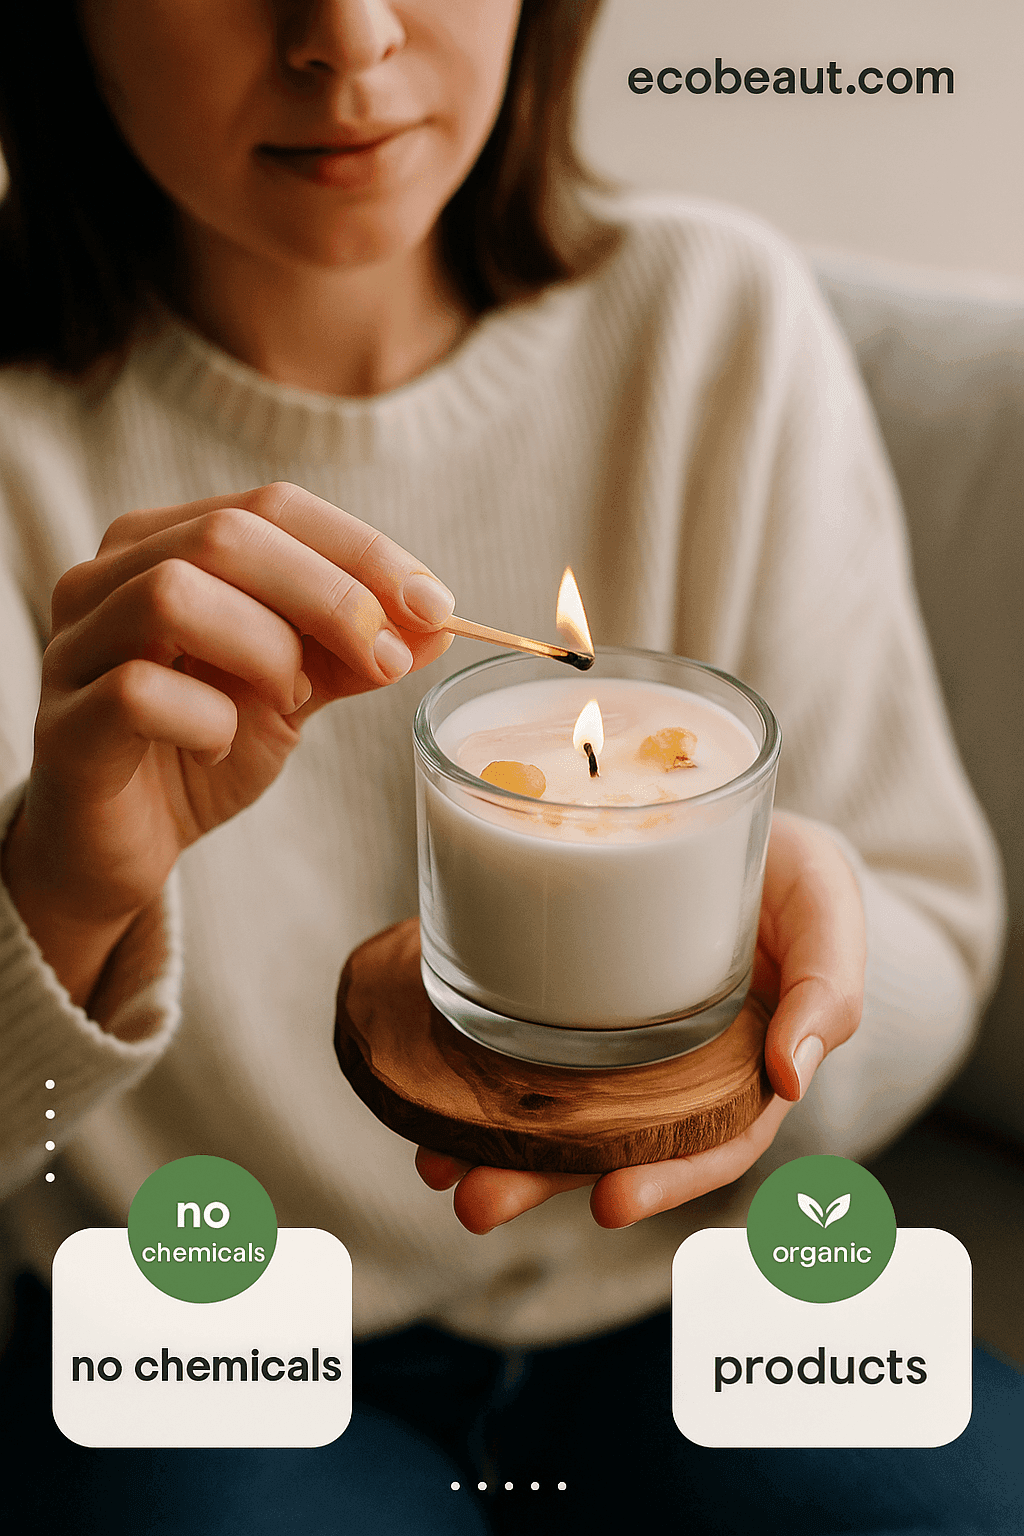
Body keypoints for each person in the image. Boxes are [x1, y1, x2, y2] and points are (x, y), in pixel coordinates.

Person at [0, 2, 1018, 1533]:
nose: (345, 36)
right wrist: (68, 886)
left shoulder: (709, 321)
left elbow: (929, 921)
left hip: (698, 1297)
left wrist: (789, 1000)